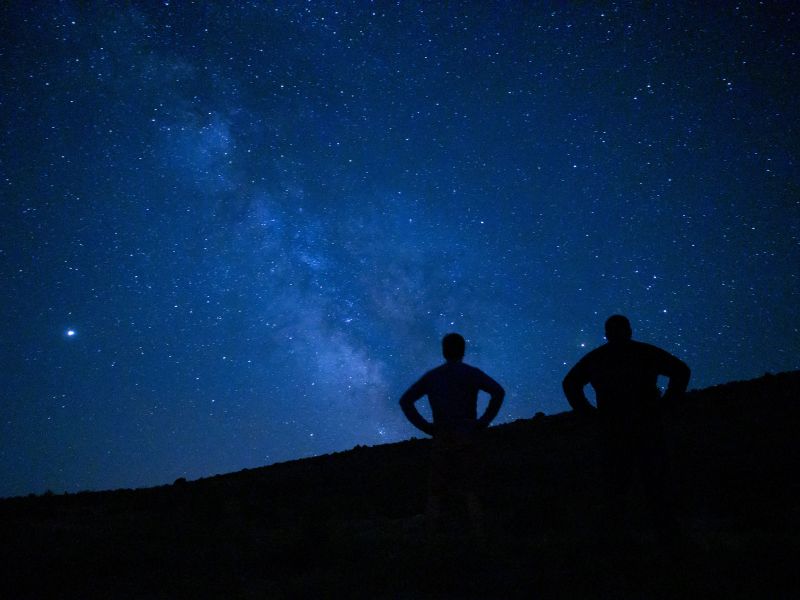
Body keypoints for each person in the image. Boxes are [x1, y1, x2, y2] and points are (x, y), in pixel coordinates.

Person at [562, 315, 690, 542]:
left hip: (615, 428)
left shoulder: (598, 358)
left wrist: (589, 414)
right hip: (644, 426)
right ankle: (667, 539)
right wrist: (668, 404)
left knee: (618, 487)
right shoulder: (643, 352)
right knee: (653, 484)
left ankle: (618, 542)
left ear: (607, 333)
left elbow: (570, 383)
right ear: (629, 331)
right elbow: (681, 371)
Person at [399, 333, 505, 536]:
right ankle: (480, 540)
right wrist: (483, 422)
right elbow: (498, 392)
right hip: (467, 436)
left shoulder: (433, 376)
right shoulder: (471, 373)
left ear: (444, 351)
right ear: (463, 350)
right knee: (471, 489)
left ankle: (431, 545)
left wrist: (426, 427)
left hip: (442, 438)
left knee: (436, 493)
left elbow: (406, 401)